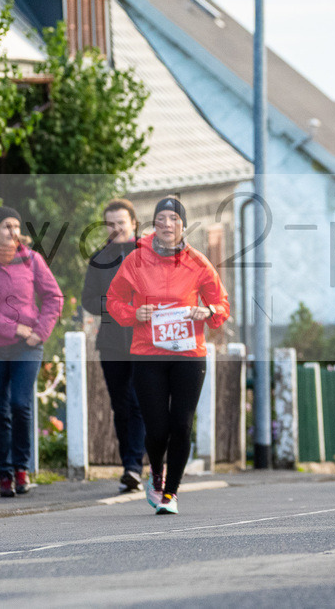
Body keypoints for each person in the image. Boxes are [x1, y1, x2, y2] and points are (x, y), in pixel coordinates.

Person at [107, 197, 230, 514]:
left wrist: (207, 311)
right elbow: (114, 300)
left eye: (173, 219)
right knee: (157, 428)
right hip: (148, 353)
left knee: (182, 425)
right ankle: (156, 474)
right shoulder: (135, 260)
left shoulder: (198, 262)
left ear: (183, 226)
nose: (166, 224)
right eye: (160, 218)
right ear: (153, 225)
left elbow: (222, 306)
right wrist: (137, 313)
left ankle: (171, 493)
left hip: (188, 353)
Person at [0, 206, 63, 498]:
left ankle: (21, 468)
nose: (13, 232)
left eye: (16, 226)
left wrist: (40, 332)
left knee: (20, 404)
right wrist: (13, 328)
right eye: (6, 226)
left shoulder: (32, 259)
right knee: (0, 408)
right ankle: (4, 472)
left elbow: (54, 296)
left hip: (28, 346)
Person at [81, 198, 145, 493]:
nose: (116, 228)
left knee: (138, 402)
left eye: (122, 222)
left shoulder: (150, 254)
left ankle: (136, 465)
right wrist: (114, 304)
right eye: (111, 223)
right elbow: (88, 300)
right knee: (120, 405)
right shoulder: (99, 258)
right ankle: (129, 465)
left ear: (133, 222)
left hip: (145, 340)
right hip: (111, 342)